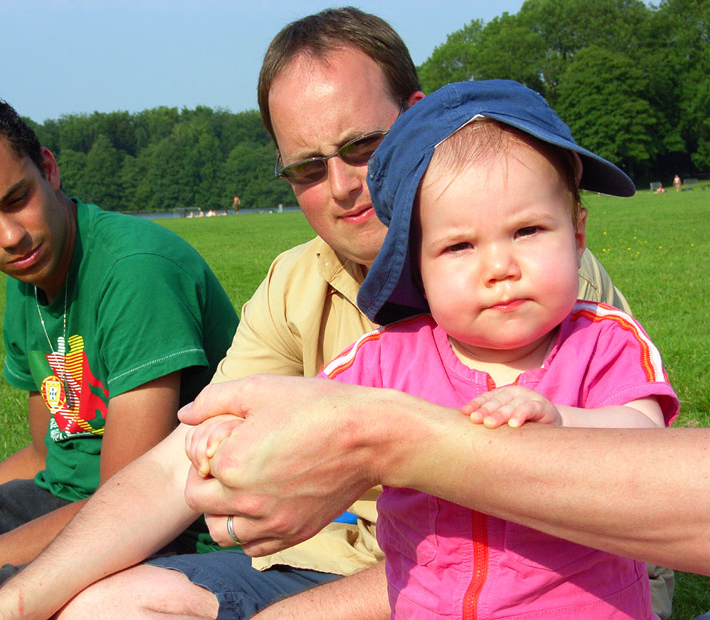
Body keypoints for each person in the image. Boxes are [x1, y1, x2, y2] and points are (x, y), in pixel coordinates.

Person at [0, 9, 639, 620]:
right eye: (308, 170)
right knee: (105, 608)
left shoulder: (530, 280)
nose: (344, 186)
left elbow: (608, 489)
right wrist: (21, 601)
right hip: (316, 564)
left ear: (416, 120)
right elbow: (182, 463)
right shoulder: (297, 281)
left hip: (541, 583)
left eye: (362, 147)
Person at [188, 80, 679, 619]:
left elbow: (647, 442)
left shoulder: (602, 340)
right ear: (415, 265)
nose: (500, 268)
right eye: (460, 246)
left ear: (578, 232)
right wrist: (230, 432)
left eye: (529, 230)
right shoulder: (388, 357)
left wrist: (566, 422)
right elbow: (306, 414)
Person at [0, 92, 238, 620]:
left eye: (16, 198)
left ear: (48, 169)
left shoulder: (135, 269)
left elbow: (124, 506)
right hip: (55, 506)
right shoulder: (27, 275)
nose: (11, 237)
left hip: (157, 533)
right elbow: (45, 452)